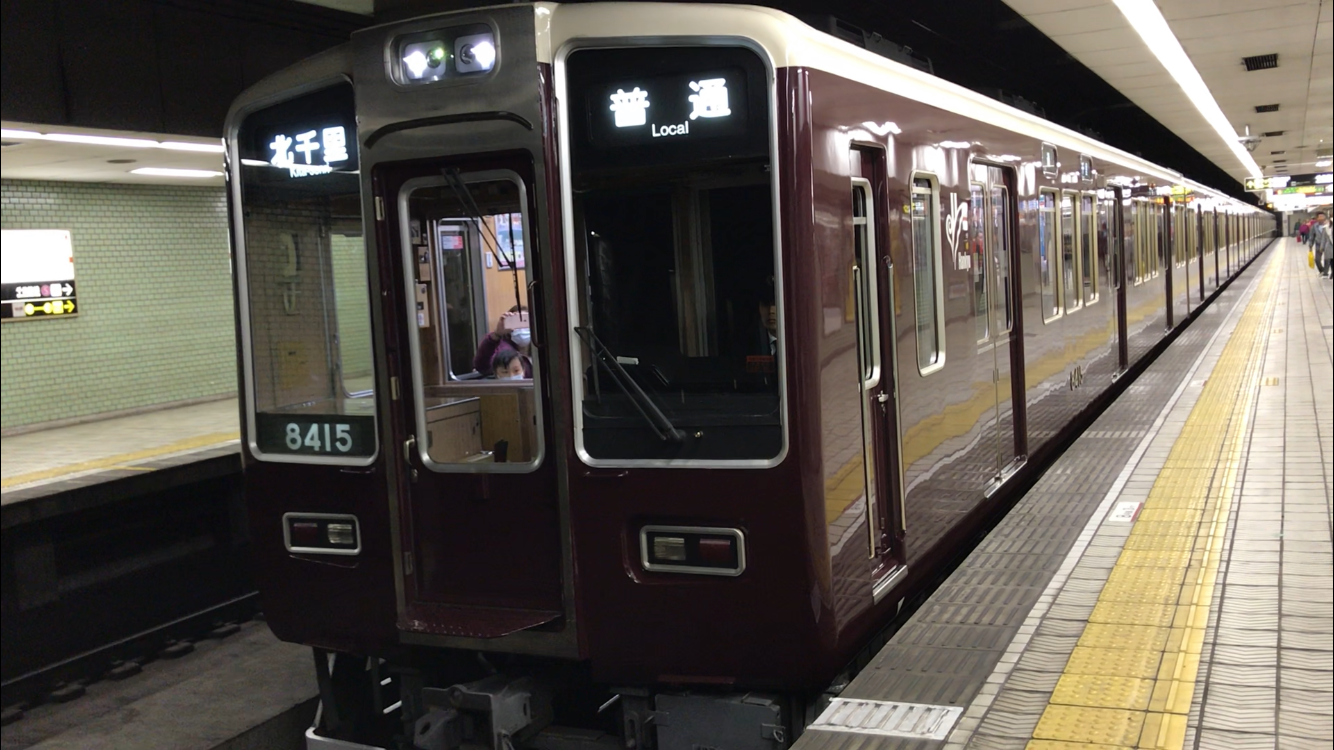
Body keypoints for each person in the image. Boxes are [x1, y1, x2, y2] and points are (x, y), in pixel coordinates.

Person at [472, 305, 532, 377]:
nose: (521, 328)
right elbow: (482, 366)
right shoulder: (502, 349)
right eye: (517, 322)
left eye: (525, 322)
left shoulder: (540, 348)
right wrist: (497, 334)